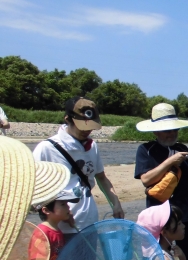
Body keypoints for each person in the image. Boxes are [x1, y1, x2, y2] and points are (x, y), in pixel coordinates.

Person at [135, 103, 188, 260]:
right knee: (158, 256)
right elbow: (145, 179)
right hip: (158, 215)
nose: (171, 134)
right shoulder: (145, 150)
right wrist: (170, 162)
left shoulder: (182, 148)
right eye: (166, 131)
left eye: (174, 129)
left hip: (184, 210)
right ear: (156, 132)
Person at [32, 97, 124, 236]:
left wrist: (116, 203)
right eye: (82, 126)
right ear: (67, 119)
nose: (87, 131)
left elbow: (102, 178)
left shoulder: (92, 146)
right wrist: (61, 215)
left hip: (89, 222)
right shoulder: (46, 148)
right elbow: (33, 189)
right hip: (60, 228)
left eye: (90, 126)